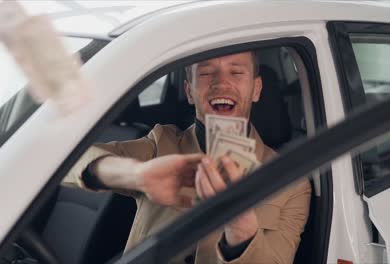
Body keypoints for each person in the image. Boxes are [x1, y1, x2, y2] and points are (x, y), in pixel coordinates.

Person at [64, 51, 311, 264]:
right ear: (189, 92)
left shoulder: (291, 182)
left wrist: (240, 226)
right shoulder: (161, 143)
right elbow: (65, 162)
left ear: (256, 89)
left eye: (236, 73)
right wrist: (137, 175)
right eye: (205, 74)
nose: (221, 84)